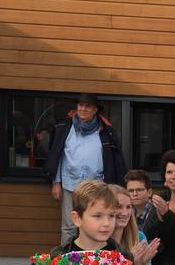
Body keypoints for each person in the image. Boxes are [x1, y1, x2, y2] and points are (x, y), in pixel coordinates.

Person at [45, 94, 127, 247]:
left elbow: (113, 160)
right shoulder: (64, 128)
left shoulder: (105, 131)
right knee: (69, 226)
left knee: (96, 225)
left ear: (95, 110)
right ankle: (66, 262)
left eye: (87, 106)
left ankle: (95, 261)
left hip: (97, 188)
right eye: (80, 105)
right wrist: (56, 182)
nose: (83, 109)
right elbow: (58, 156)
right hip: (70, 185)